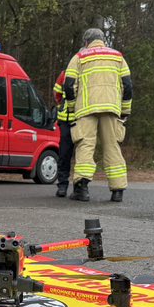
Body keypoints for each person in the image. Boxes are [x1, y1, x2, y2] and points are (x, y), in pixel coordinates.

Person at [63, 27, 132, 202]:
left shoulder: (79, 57)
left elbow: (69, 85)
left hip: (86, 109)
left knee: (85, 146)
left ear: (86, 42)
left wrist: (71, 107)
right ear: (103, 40)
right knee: (112, 147)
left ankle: (82, 189)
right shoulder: (118, 57)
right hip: (111, 108)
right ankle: (117, 191)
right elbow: (128, 86)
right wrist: (125, 111)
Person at [52, 70, 75, 198]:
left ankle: (63, 185)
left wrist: (61, 104)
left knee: (65, 154)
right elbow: (57, 92)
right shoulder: (66, 73)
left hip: (71, 119)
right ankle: (75, 186)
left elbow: (57, 94)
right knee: (68, 153)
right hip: (79, 119)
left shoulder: (66, 73)